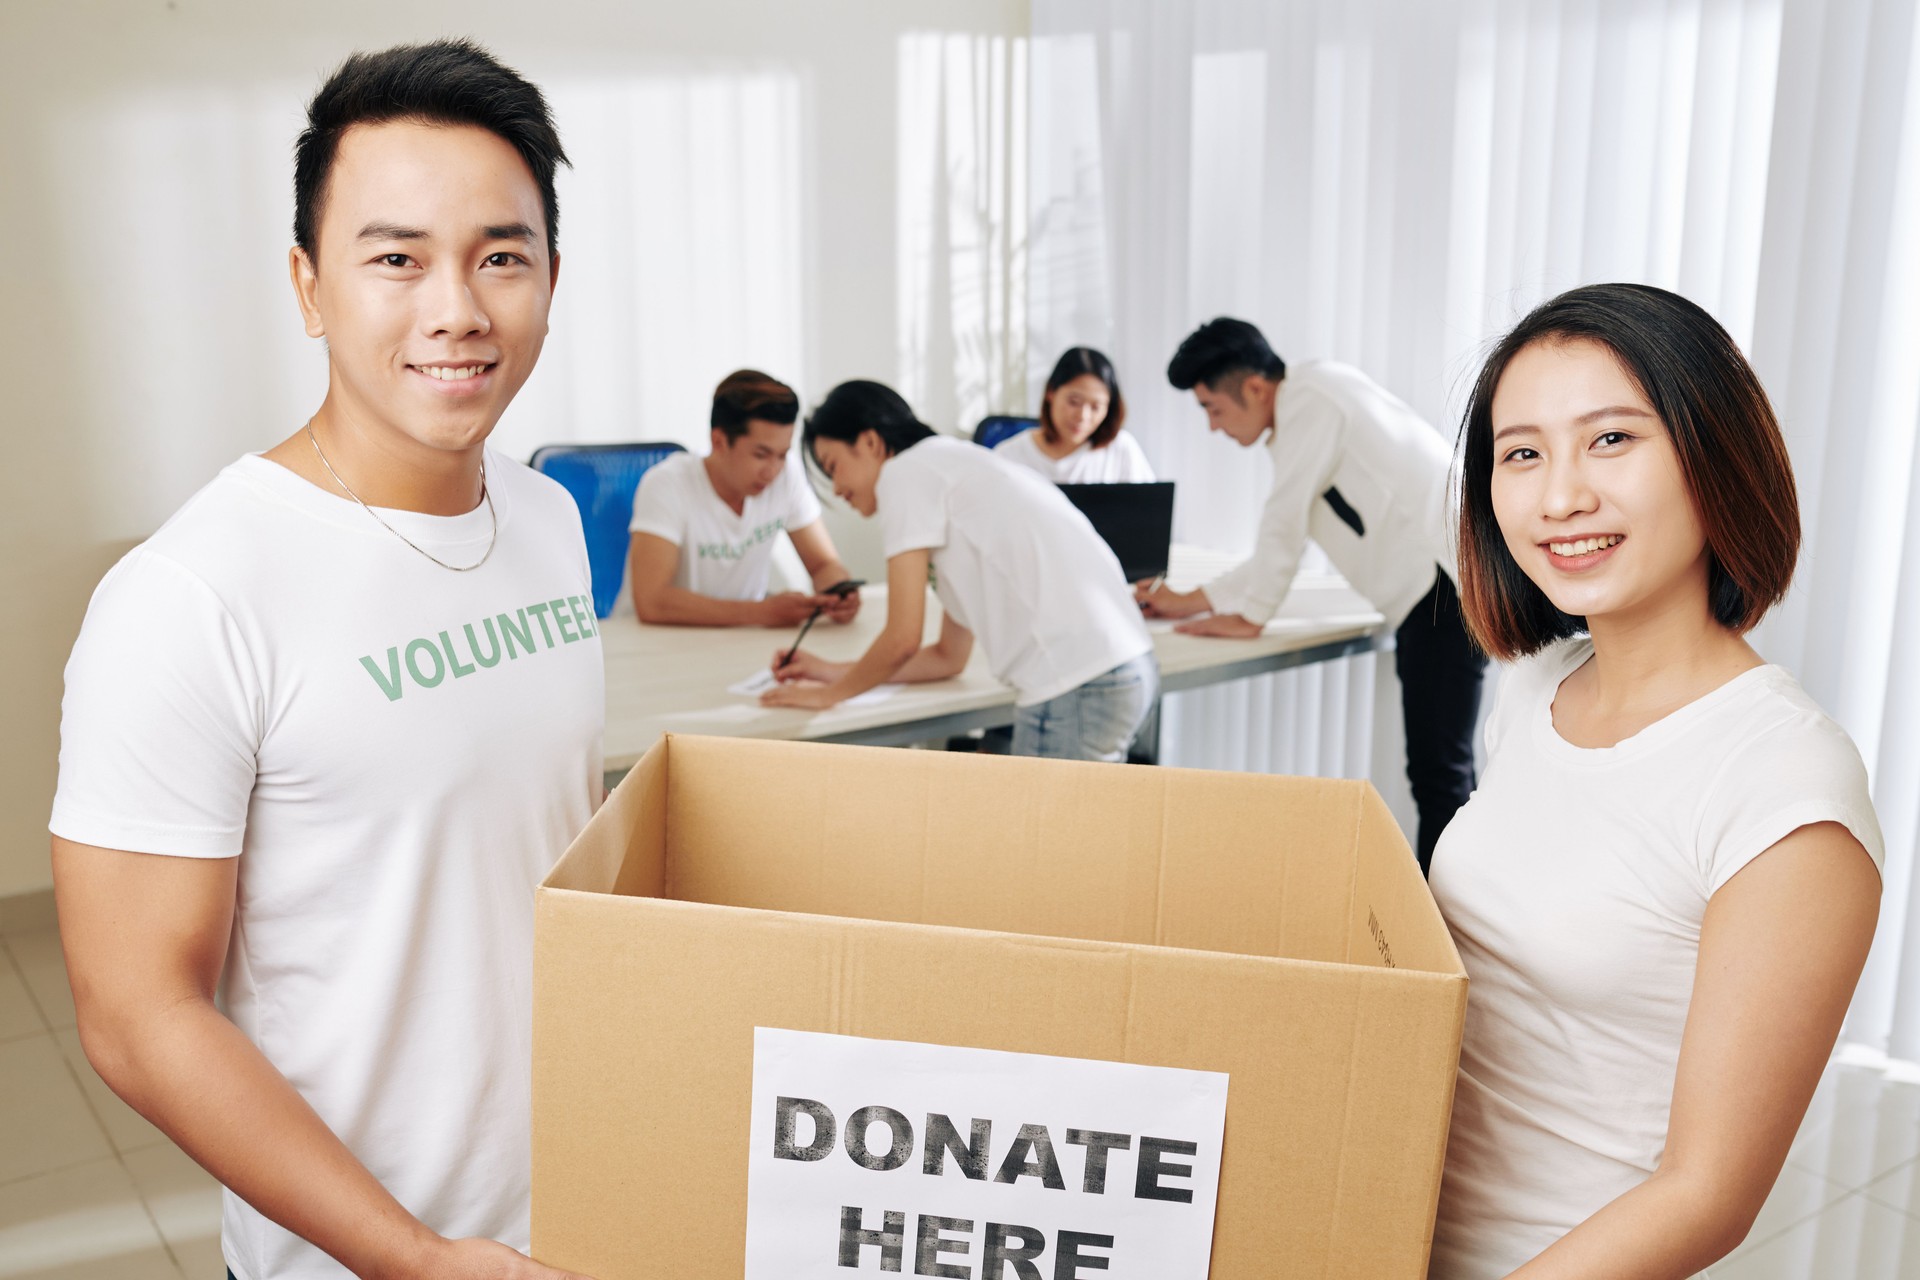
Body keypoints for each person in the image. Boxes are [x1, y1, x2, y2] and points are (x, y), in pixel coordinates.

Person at [49, 41, 599, 1280]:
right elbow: (139, 1016)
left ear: (552, 280)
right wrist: (411, 1254)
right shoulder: (189, 595)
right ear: (308, 285)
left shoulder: (550, 517)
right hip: (363, 1254)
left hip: (575, 1209)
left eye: (500, 256)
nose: (456, 307)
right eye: (395, 257)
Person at [1428, 283, 1883, 1278]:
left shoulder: (1783, 781)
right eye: (1522, 452)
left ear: (1714, 454)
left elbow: (1706, 1195)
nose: (1560, 497)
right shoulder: (1535, 687)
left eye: (1611, 440)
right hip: (1391, 1224)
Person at [1137, 317, 1485, 869]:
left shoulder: (1310, 402)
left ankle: (1441, 941)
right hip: (1436, 589)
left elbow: (1283, 523)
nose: (1211, 427)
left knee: (1440, 776)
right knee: (1441, 773)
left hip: (1442, 591)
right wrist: (1199, 598)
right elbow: (1282, 536)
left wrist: (1250, 617)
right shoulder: (1314, 396)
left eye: (1212, 408)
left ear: (1253, 387)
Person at [762, 380, 1158, 762]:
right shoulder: (950, 468)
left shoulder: (904, 475)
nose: (837, 489)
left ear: (869, 442)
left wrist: (827, 697)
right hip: (1122, 668)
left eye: (834, 467)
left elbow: (901, 639)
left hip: (1077, 681)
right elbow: (947, 658)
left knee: (1044, 832)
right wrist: (830, 672)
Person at [627, 368, 861, 627]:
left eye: (782, 455)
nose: (772, 471)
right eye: (761, 455)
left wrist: (838, 591)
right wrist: (761, 612)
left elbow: (823, 565)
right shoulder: (667, 484)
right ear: (718, 441)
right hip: (659, 643)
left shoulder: (787, 475)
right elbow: (652, 601)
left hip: (742, 638)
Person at [993, 346, 1156, 483]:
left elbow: (1150, 515)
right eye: (1074, 402)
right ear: (1051, 392)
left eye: (1096, 407)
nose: (1083, 416)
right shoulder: (1008, 457)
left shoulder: (1121, 449)